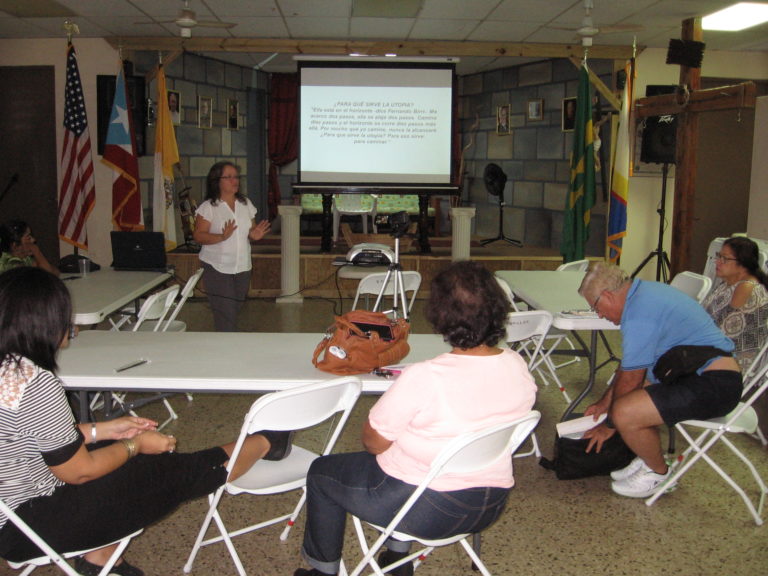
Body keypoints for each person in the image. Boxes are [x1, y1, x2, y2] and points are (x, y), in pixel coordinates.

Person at [0, 267, 293, 576]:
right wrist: (135, 444)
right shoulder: (33, 383)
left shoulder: (10, 373)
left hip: (14, 514)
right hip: (27, 527)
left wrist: (103, 429)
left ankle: (99, 560)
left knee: (129, 456)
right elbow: (79, 473)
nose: (69, 324)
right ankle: (265, 442)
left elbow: (30, 436)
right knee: (160, 469)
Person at [293, 261, 537, 576]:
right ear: (497, 311)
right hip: (488, 503)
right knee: (407, 459)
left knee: (323, 472)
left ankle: (323, 571)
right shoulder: (516, 365)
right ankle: (396, 560)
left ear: (440, 316)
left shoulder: (425, 376)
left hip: (425, 509)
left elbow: (374, 443)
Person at [578, 262, 742, 499]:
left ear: (607, 295)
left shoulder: (639, 313)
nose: (600, 315)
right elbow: (629, 368)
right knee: (627, 403)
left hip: (715, 385)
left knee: (625, 412)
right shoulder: (643, 294)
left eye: (596, 308)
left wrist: (609, 425)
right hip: (695, 375)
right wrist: (605, 403)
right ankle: (648, 459)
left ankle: (659, 473)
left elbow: (632, 378)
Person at [193, 161, 270, 332]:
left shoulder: (245, 203)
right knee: (226, 315)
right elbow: (198, 235)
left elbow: (250, 230)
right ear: (216, 181)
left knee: (233, 312)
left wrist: (254, 234)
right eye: (228, 177)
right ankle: (226, 352)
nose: (234, 180)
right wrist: (221, 236)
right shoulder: (209, 207)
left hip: (242, 267)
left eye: (236, 176)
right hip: (217, 268)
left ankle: (227, 346)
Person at [702, 236, 768, 372]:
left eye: (724, 258)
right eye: (718, 256)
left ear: (743, 263)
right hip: (713, 350)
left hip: (730, 362)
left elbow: (726, 334)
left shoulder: (746, 289)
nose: (717, 262)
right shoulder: (727, 283)